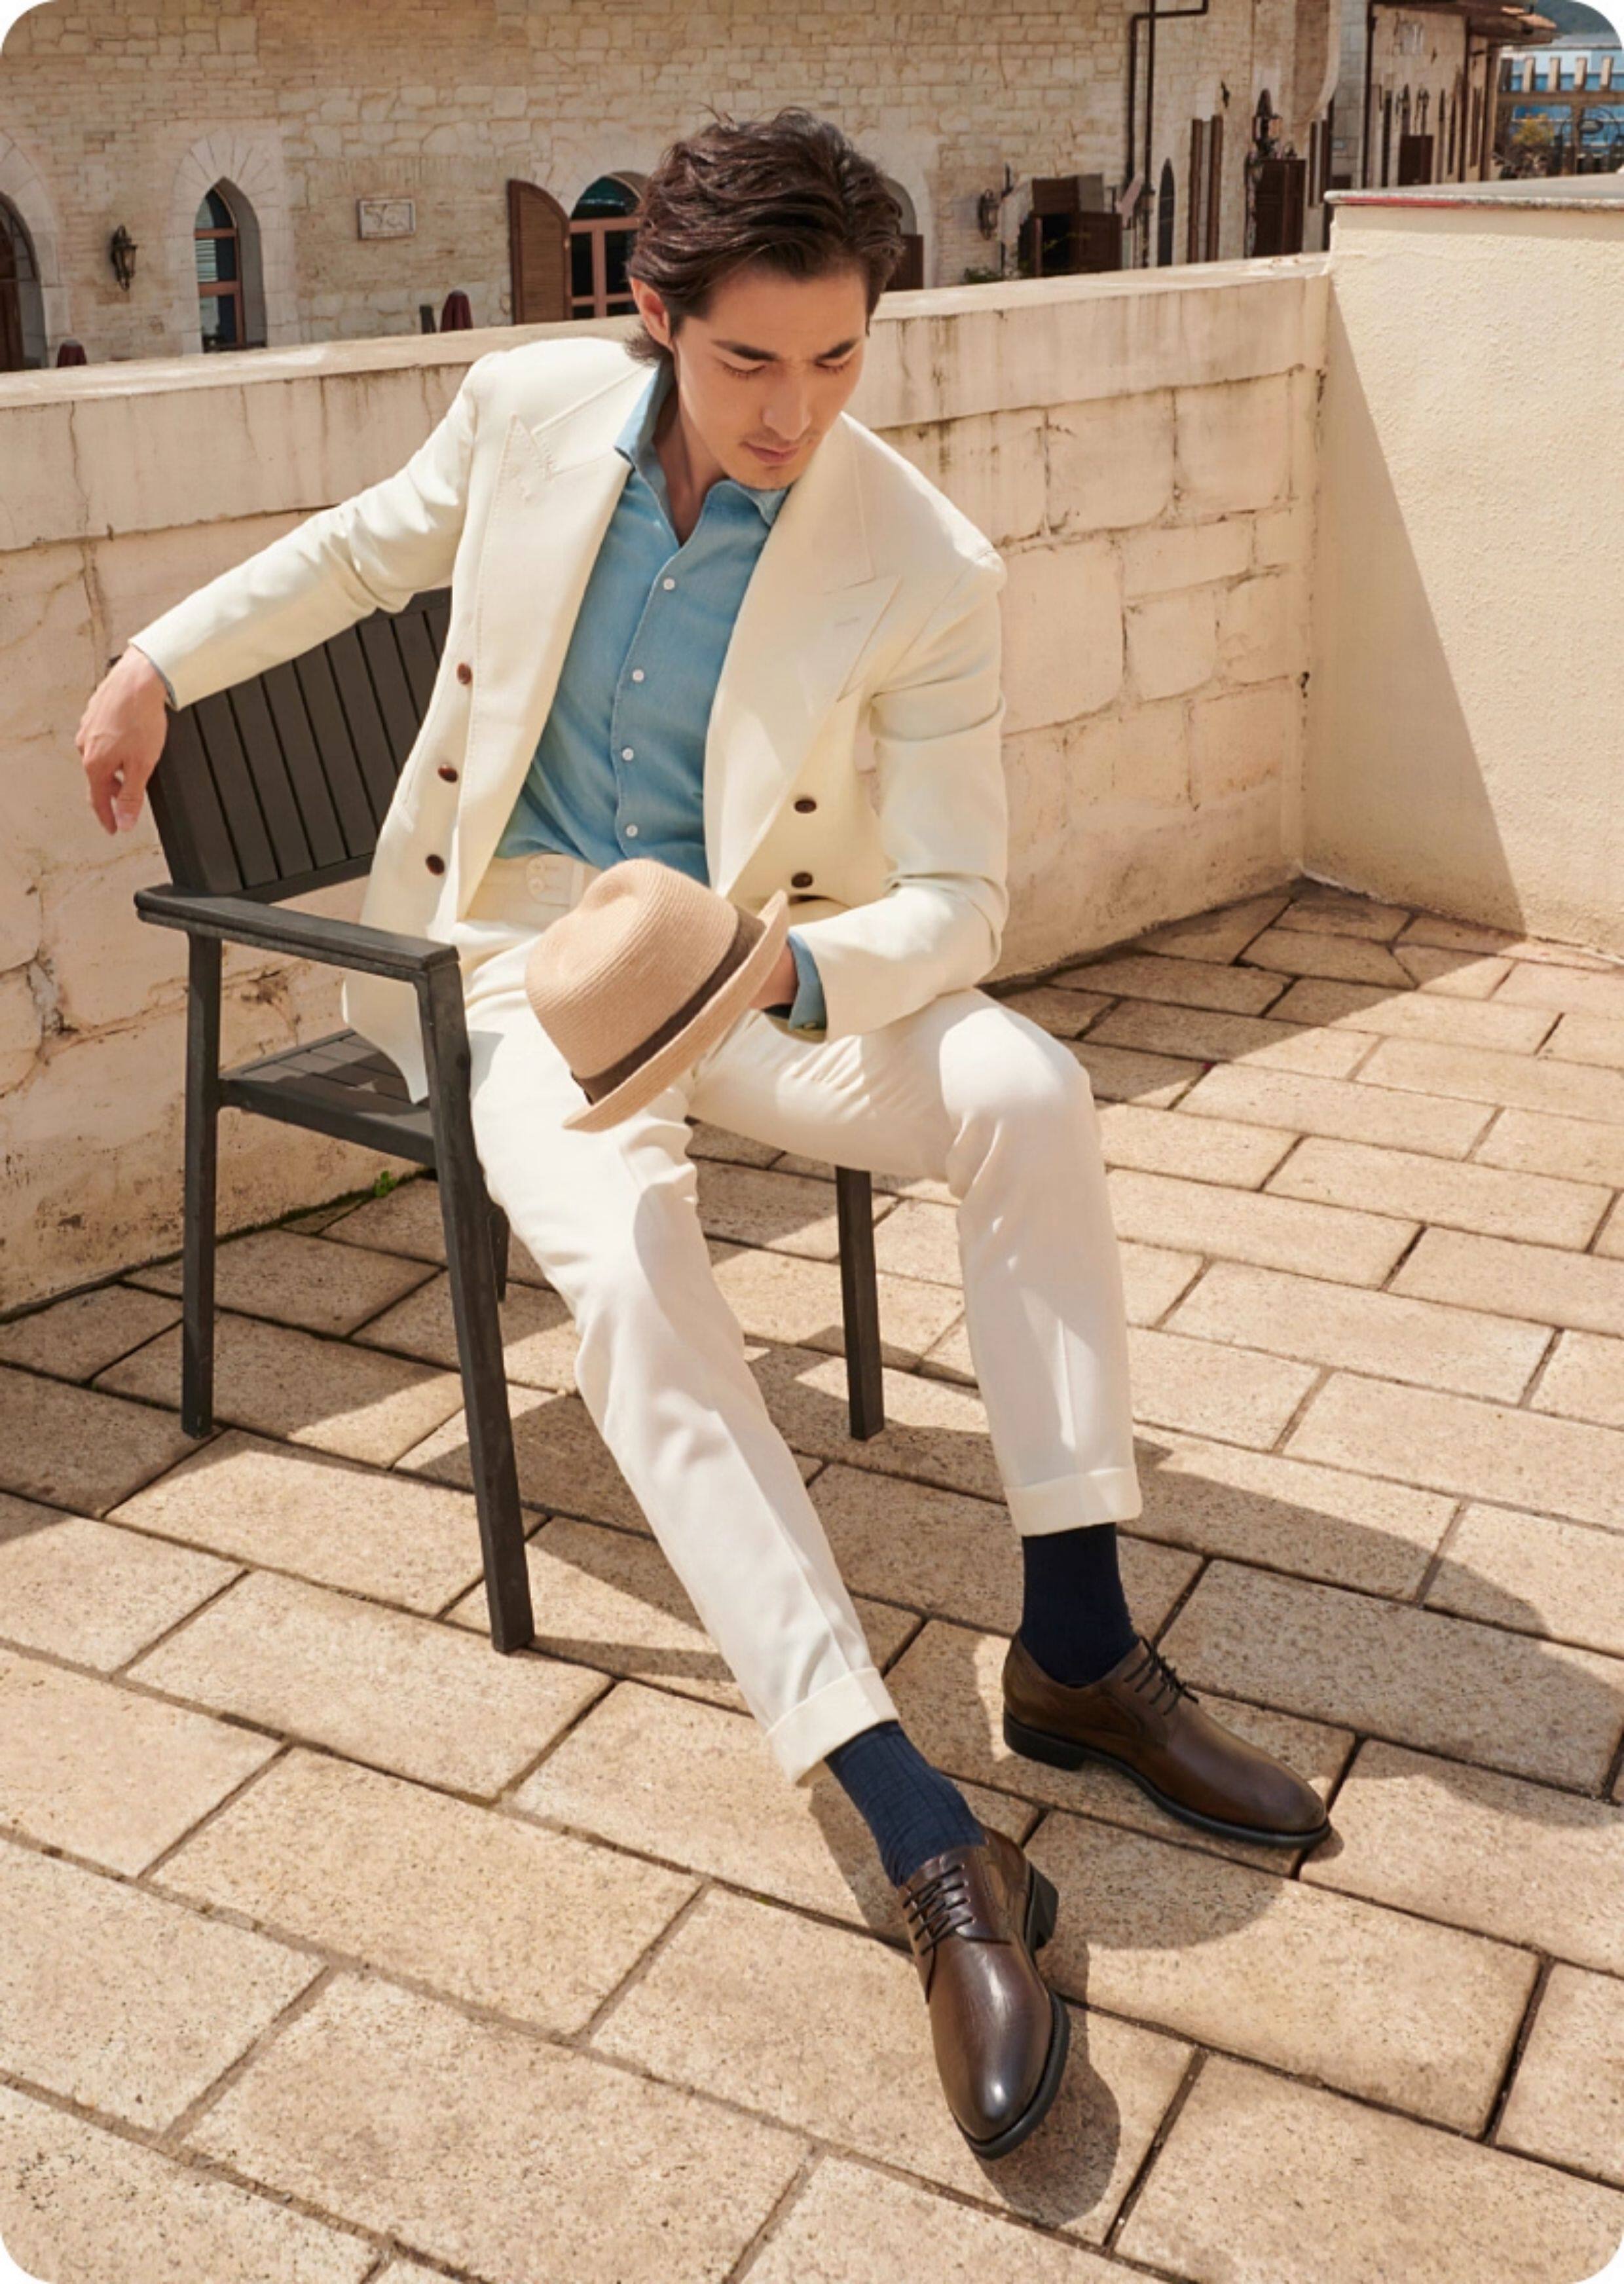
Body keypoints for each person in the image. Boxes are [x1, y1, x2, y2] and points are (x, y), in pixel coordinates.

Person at [75, 106, 1328, 2161]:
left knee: (1026, 1085)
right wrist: (154, 660)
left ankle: (1080, 1648)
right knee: (639, 1280)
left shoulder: (924, 561)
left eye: (837, 360)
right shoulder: (527, 411)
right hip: (509, 975)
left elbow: (965, 901)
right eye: (751, 360)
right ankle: (919, 1833)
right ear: (654, 315)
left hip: (753, 971)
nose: (793, 413)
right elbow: (364, 549)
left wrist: (787, 974)